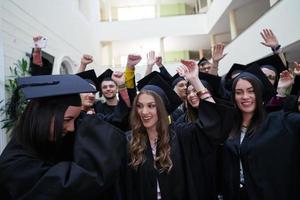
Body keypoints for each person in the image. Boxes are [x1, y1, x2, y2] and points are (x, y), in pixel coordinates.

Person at [0, 74, 126, 200]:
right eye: (67, 119)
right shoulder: (15, 164)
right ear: (43, 117)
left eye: (75, 120)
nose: (72, 128)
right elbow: (66, 187)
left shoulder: (48, 142)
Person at [124, 59, 235, 200]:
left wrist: (195, 80)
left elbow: (215, 123)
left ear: (162, 109)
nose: (144, 112)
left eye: (151, 106)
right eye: (139, 106)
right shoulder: (130, 141)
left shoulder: (181, 135)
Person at [220, 71, 300, 200]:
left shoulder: (278, 121)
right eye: (239, 92)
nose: (245, 96)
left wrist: (283, 91)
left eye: (251, 91)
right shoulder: (230, 127)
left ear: (259, 93)